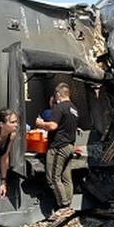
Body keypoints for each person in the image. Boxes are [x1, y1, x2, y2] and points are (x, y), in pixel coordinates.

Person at [34, 84, 78, 220]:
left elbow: (53, 126)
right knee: (66, 178)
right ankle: (69, 205)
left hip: (58, 147)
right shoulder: (73, 109)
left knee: (53, 178)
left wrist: (40, 123)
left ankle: (63, 206)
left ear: (58, 95)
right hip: (70, 146)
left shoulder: (59, 108)